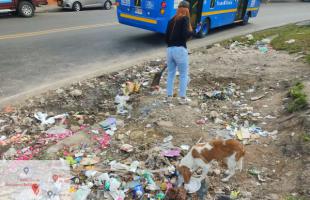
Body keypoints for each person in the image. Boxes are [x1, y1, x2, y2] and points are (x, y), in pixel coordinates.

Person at [165, 0, 194, 105]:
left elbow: (166, 38)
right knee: (183, 75)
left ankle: (169, 97)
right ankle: (182, 98)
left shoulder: (171, 20)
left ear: (178, 9)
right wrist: (193, 32)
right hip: (180, 50)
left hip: (169, 50)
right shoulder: (185, 19)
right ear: (187, 9)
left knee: (170, 74)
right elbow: (185, 34)